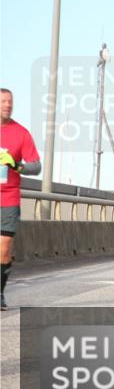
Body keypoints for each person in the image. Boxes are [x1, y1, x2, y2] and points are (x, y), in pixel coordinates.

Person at [0, 88, 41, 311]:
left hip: (8, 198)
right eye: (3, 101)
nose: (8, 105)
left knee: (4, 248)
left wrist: (17, 165)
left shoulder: (20, 133)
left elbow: (36, 165)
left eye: (10, 102)